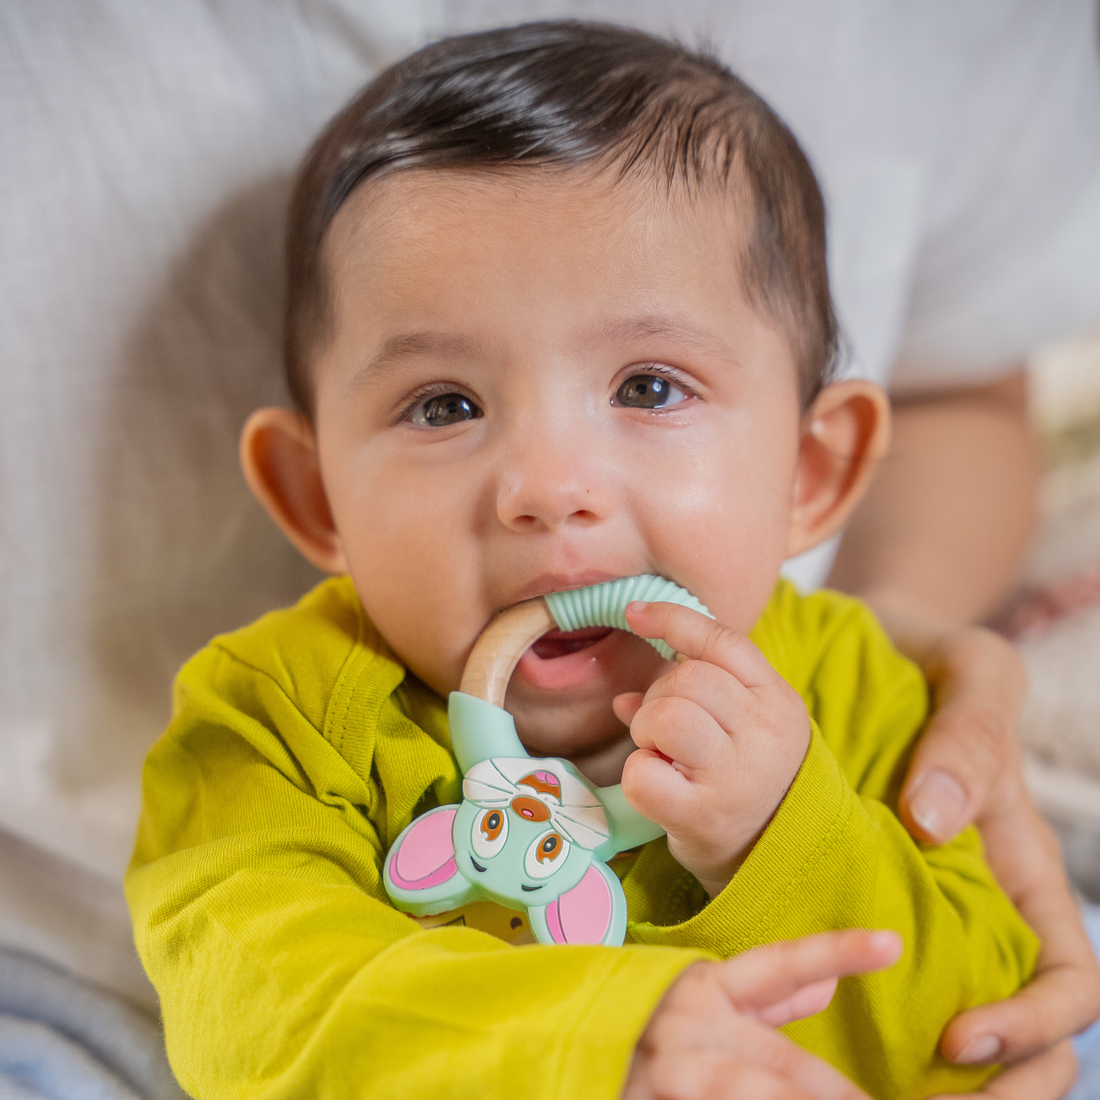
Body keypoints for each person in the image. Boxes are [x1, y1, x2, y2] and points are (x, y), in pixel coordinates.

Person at [126, 24, 1048, 1098]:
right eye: (445, 404)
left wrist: (787, 838)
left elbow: (981, 1025)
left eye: (648, 387)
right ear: (316, 492)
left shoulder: (852, 689)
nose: (545, 485)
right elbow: (257, 1011)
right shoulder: (266, 719)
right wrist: (592, 1037)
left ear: (808, 470)